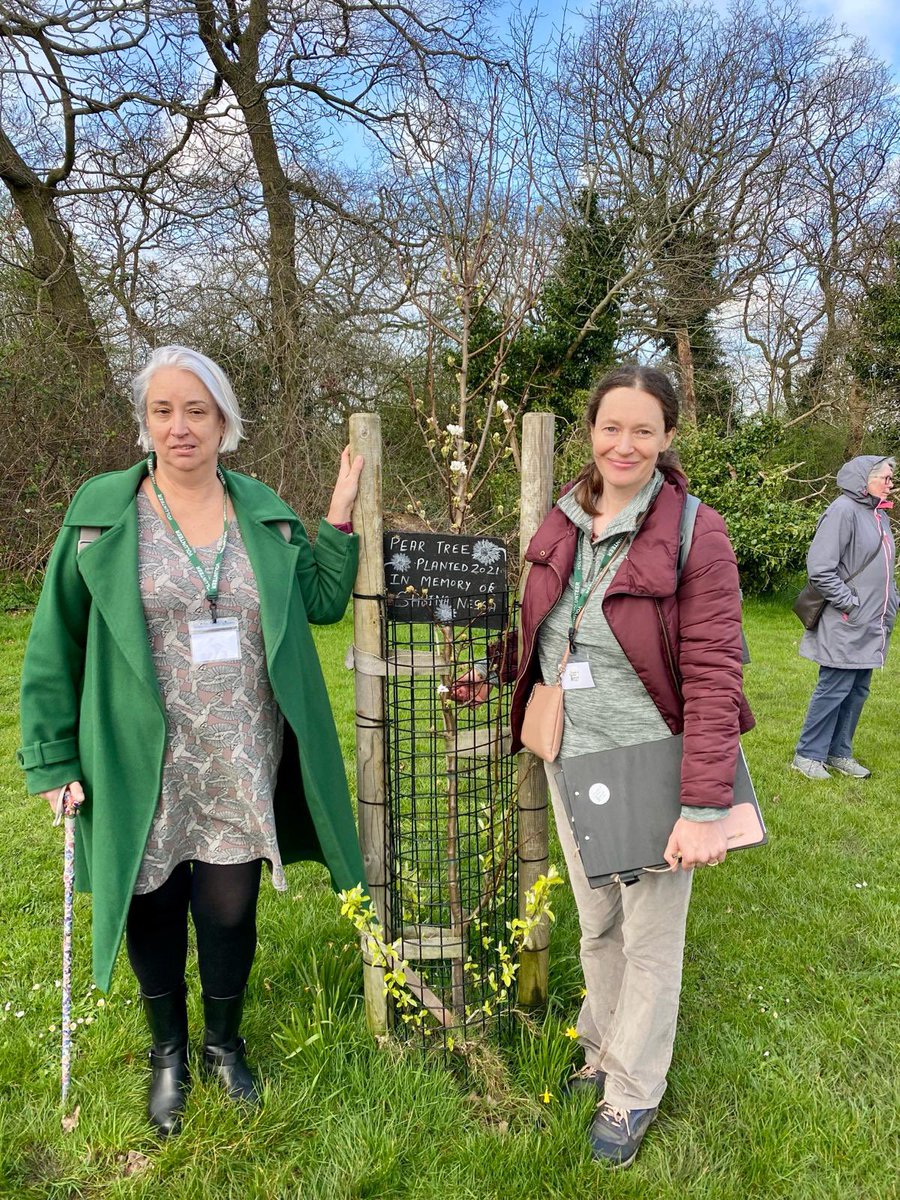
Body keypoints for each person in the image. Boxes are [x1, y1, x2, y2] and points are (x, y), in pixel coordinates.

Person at [17, 346, 367, 1136]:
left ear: (224, 423)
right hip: (142, 752)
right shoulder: (101, 513)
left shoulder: (261, 509)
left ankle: (222, 1045)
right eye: (164, 411)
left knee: (228, 904)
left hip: (240, 750)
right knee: (152, 898)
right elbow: (53, 643)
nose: (180, 427)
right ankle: (167, 1053)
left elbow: (319, 600)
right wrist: (51, 757)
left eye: (197, 411)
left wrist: (338, 513)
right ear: (145, 422)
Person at [455, 365, 753, 1168]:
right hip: (570, 755)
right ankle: (602, 1045)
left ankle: (632, 1092)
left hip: (654, 761)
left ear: (667, 438)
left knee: (652, 934)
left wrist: (703, 806)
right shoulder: (559, 520)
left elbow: (718, 669)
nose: (624, 444)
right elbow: (546, 625)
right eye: (611, 427)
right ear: (591, 431)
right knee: (597, 921)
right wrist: (496, 669)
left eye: (643, 430)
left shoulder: (696, 530)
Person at [791, 456, 896, 780]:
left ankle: (838, 752)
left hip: (873, 623)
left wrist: (891, 601)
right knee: (835, 687)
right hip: (848, 621)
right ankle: (807, 754)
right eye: (886, 478)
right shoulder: (843, 510)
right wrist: (850, 604)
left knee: (857, 689)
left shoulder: (878, 514)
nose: (891, 484)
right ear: (865, 478)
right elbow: (821, 569)